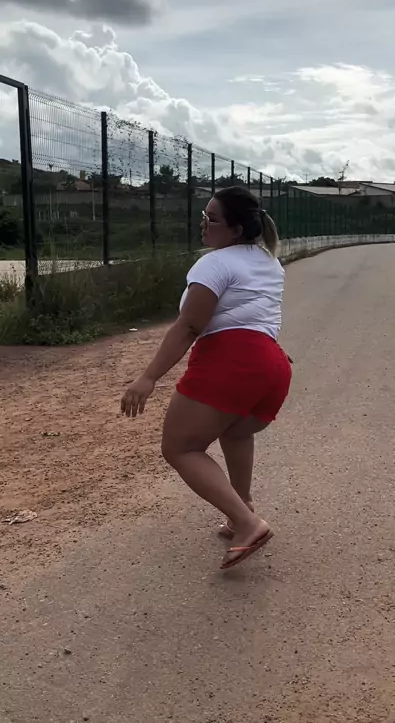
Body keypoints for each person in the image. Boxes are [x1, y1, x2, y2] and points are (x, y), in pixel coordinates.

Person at [121, 185, 292, 570]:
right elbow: (257, 316)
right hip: (273, 365)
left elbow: (190, 326)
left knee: (179, 448)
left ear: (235, 230)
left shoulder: (213, 264)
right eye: (204, 216)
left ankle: (248, 523)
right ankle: (241, 507)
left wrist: (148, 377)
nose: (203, 224)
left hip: (229, 361)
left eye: (212, 219)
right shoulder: (268, 261)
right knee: (236, 432)